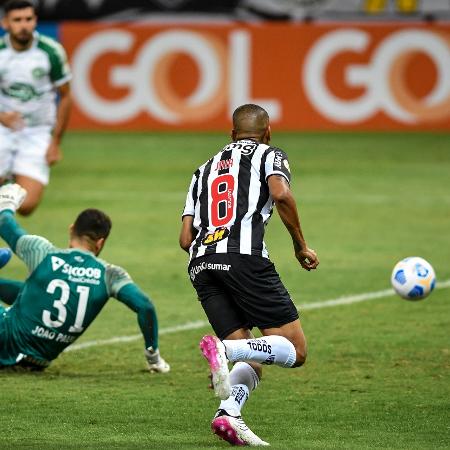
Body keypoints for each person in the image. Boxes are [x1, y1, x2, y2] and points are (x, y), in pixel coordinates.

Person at [179, 104, 319, 446]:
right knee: (295, 350)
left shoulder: (202, 170)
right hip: (244, 258)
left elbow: (185, 239)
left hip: (201, 264)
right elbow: (281, 193)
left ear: (231, 134)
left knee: (253, 353)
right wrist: (300, 245)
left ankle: (229, 414)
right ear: (267, 132)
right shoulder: (270, 154)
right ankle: (224, 351)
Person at [0, 184, 170, 373]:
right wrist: (153, 357)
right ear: (100, 242)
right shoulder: (110, 275)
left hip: (4, 336)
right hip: (39, 359)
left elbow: (5, 224)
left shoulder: (42, 253)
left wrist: (7, 204)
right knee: (31, 291)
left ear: (71, 229)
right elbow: (145, 305)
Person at [0, 0, 72, 215]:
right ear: (6, 23)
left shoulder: (50, 52)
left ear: (35, 21)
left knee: (27, 206)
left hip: (37, 132)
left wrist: (55, 142)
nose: (24, 25)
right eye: (17, 20)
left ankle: (9, 179)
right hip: (3, 129)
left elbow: (66, 96)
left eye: (28, 19)